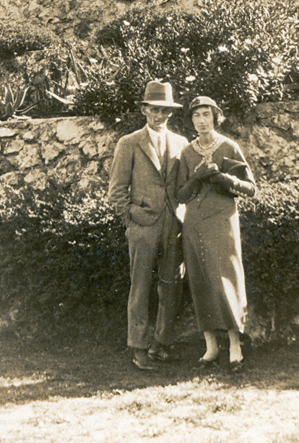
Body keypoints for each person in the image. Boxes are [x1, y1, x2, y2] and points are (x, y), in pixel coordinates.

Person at [108, 81, 188, 371]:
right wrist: (131, 219)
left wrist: (184, 213)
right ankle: (139, 348)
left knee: (171, 287)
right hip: (142, 227)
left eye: (165, 111)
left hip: (173, 224)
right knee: (140, 288)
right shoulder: (128, 143)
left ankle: (161, 344)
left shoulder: (181, 143)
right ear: (144, 110)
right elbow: (116, 191)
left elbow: (185, 186)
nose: (160, 116)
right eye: (155, 109)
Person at [176, 95, 255, 369]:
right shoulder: (187, 153)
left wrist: (225, 179)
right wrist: (197, 177)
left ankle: (235, 344)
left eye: (206, 115)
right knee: (200, 280)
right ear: (191, 120)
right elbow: (180, 194)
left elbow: (251, 188)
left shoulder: (229, 147)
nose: (201, 120)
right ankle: (210, 347)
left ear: (216, 117)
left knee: (226, 279)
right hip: (195, 224)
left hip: (222, 222)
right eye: (196, 116)